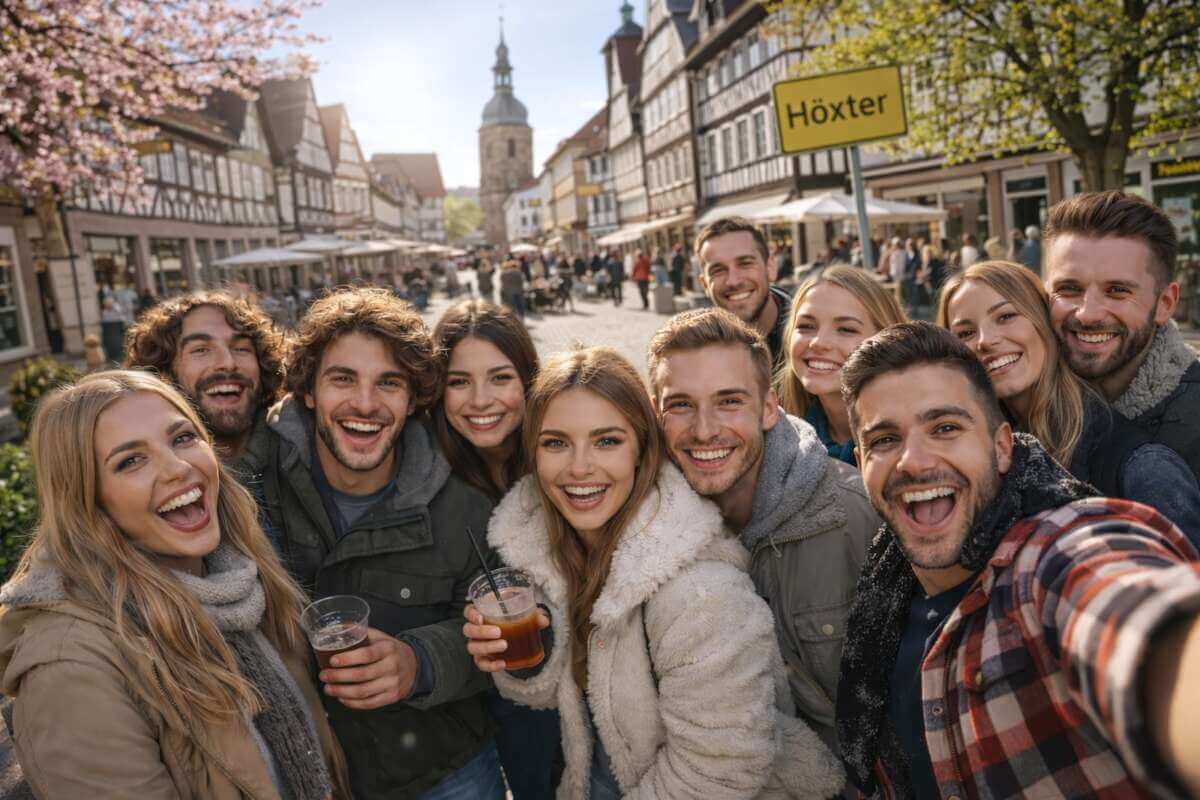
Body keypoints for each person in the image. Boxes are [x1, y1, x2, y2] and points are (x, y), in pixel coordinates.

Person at [837, 321, 1200, 799]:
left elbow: (1125, 604)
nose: (914, 461)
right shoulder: (882, 606)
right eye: (884, 440)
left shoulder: (1057, 554)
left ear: (1002, 446)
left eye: (945, 428)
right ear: (861, 461)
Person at [464, 347, 845, 799]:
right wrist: (536, 661)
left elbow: (718, 773)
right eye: (556, 443)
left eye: (607, 441)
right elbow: (576, 695)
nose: (579, 467)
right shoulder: (548, 558)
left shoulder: (701, 594)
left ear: (642, 450)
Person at [0, 370, 349, 799]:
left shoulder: (240, 580)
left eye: (183, 438)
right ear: (87, 502)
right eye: (130, 461)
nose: (178, 468)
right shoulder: (70, 670)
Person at [248, 288, 503, 799]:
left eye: (388, 383)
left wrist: (420, 662)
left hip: (443, 773)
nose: (365, 404)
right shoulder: (251, 483)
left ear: (413, 400)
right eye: (343, 378)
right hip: (306, 777)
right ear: (308, 391)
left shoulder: (465, 504)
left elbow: (494, 639)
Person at [646, 309, 879, 750]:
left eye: (730, 401)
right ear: (657, 414)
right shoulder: (644, 535)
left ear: (770, 407)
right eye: (681, 405)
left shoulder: (855, 515)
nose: (705, 430)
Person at [938, 260, 1200, 548]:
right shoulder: (980, 458)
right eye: (965, 333)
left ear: (1046, 322)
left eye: (1006, 316)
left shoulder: (1142, 469)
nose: (985, 341)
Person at [431, 300, 560, 799]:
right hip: (483, 697)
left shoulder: (561, 451)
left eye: (500, 378)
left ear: (528, 381)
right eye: (459, 381)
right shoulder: (426, 470)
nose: (479, 400)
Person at [1044, 190, 1200, 480]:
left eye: (1117, 290)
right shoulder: (1019, 404)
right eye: (1069, 289)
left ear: (1164, 304)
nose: (1088, 314)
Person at [124, 290, 287, 463]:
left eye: (241, 348)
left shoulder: (305, 450)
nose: (228, 362)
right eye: (201, 350)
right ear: (163, 370)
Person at [779, 266, 907, 465]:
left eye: (846, 329)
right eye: (806, 326)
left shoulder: (912, 444)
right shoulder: (778, 437)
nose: (819, 342)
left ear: (887, 340)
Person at [695, 216, 793, 372]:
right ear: (705, 284)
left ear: (771, 268)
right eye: (718, 270)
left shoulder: (811, 337)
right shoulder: (696, 351)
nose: (733, 281)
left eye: (745, 263)